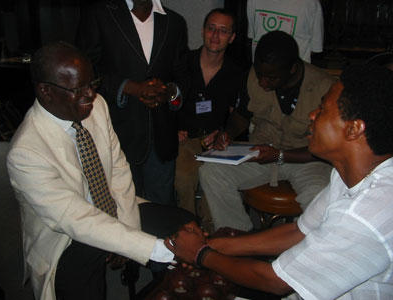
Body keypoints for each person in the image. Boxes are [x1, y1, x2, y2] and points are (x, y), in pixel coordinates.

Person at [167, 63, 393, 299]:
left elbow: (276, 282)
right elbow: (298, 231)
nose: (312, 115)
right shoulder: (348, 175)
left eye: (322, 109)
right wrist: (212, 244)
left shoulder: (365, 215)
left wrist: (201, 254)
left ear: (354, 129)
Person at [6, 42, 195, 300]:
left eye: (92, 83)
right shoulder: (26, 152)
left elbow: (118, 170)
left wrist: (128, 234)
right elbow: (75, 218)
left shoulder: (97, 106)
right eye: (78, 88)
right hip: (64, 236)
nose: (90, 94)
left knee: (184, 225)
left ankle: (170, 290)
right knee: (83, 285)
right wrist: (148, 248)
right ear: (46, 92)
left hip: (111, 205)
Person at [199, 31, 335, 232]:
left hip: (307, 159)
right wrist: (227, 133)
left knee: (320, 200)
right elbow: (242, 114)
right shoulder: (253, 76)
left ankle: (306, 252)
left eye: (271, 78)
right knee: (211, 172)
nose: (262, 82)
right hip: (260, 152)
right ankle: (237, 238)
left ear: (292, 69)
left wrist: (280, 155)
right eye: (259, 74)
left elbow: (330, 149)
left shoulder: (325, 88)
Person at [76, 0, 189, 206]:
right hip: (117, 132)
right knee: (123, 208)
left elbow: (182, 77)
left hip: (161, 133)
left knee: (161, 209)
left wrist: (168, 92)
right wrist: (131, 87)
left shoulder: (175, 22)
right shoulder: (100, 14)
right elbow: (85, 73)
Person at [175, 8, 251, 215]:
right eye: (211, 28)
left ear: (232, 37)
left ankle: (212, 233)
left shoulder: (237, 73)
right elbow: (163, 101)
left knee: (216, 192)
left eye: (223, 31)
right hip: (184, 140)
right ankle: (187, 225)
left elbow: (243, 112)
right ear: (202, 31)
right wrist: (172, 129)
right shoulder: (181, 63)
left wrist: (226, 134)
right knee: (184, 178)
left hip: (217, 143)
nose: (216, 36)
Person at [246, 0, 324, 63]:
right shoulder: (253, 1)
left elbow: (315, 47)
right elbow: (253, 37)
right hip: (259, 74)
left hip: (294, 77)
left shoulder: (311, 3)